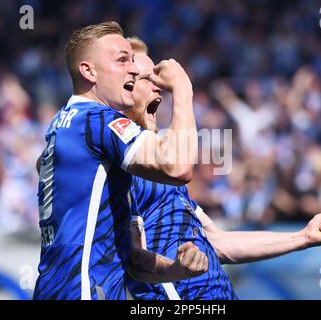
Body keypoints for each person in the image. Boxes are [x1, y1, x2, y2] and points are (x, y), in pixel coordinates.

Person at [124, 37, 321, 300]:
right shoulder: (124, 169)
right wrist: (175, 270)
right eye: (148, 79)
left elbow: (218, 242)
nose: (159, 88)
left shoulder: (160, 169)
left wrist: (302, 237)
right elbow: (133, 260)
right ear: (124, 89)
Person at [33, 21, 204, 300]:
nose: (134, 69)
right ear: (88, 71)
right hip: (83, 291)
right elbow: (178, 167)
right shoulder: (97, 118)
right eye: (122, 60)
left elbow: (132, 259)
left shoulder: (61, 124)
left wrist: (177, 269)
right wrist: (183, 91)